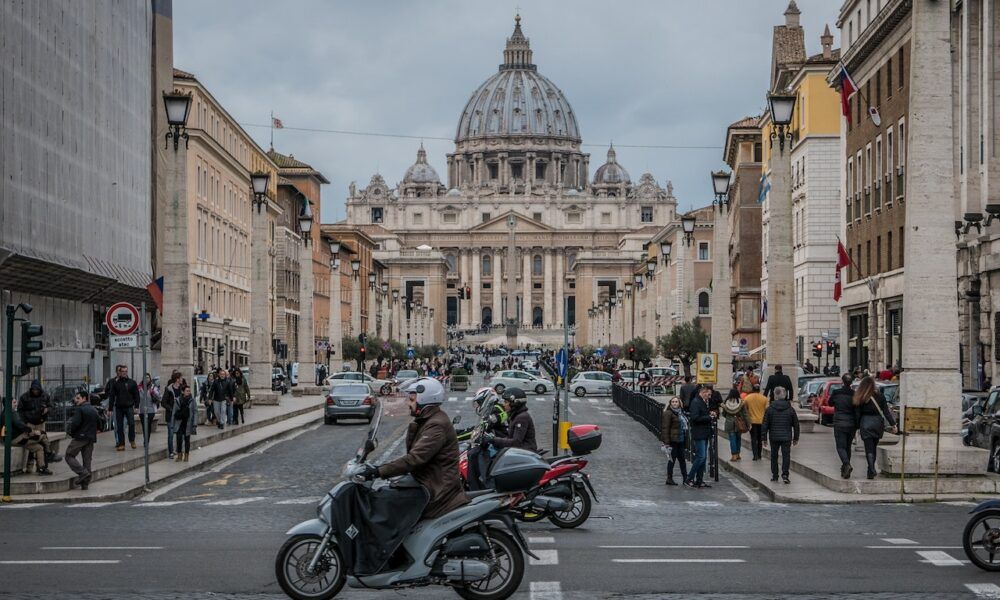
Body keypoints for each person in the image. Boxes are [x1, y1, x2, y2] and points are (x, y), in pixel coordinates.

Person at [361, 377, 470, 519]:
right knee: (389, 492)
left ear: (424, 400)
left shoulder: (436, 425)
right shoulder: (429, 420)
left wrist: (378, 471)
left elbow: (415, 459)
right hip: (428, 481)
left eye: (412, 400)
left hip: (437, 490)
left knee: (386, 502)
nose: (408, 403)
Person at [854, 376, 897, 479]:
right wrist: (893, 424)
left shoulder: (861, 397)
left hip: (865, 423)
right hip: (877, 423)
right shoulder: (880, 396)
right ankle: (870, 470)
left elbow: (857, 414)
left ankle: (871, 468)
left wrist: (856, 426)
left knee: (868, 448)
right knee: (874, 447)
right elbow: (886, 412)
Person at [16, 379, 61, 467]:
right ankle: (30, 465)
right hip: (29, 423)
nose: (35, 391)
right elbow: (20, 411)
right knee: (32, 443)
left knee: (42, 442)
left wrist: (47, 409)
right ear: (31, 389)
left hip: (40, 423)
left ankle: (42, 465)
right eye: (34, 390)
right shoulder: (24, 397)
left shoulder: (45, 396)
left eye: (37, 390)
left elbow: (52, 406)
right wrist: (26, 423)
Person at [761, 387, 799, 484]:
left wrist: (764, 438)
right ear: (785, 395)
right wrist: (796, 438)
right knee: (786, 456)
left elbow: (765, 424)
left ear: (775, 395)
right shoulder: (790, 409)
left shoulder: (770, 409)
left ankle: (775, 475)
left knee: (774, 456)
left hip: (774, 436)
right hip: (786, 437)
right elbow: (796, 424)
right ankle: (785, 474)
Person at [484, 388, 537, 452]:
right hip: (519, 450)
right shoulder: (515, 415)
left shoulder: (522, 417)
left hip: (525, 451)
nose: (504, 404)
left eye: (506, 402)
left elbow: (516, 442)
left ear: (515, 403)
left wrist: (493, 440)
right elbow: (510, 437)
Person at [828, 374, 860, 479]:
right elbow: (857, 410)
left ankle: (846, 464)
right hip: (851, 424)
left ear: (842, 382)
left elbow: (830, 403)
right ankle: (845, 469)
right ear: (851, 383)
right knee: (847, 446)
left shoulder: (836, 393)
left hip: (839, 423)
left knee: (840, 447)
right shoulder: (854, 394)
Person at [65, 390, 99, 490]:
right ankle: (85, 484)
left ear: (84, 398)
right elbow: (100, 422)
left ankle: (83, 473)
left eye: (78, 398)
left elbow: (75, 423)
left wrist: (72, 433)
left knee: (69, 455)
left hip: (80, 437)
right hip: (91, 438)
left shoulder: (80, 409)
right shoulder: (93, 409)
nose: (76, 400)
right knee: (87, 460)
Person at [685, 386, 715, 488]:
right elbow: (695, 418)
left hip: (704, 433)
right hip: (699, 433)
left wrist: (709, 414)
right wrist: (709, 417)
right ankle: (689, 478)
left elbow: (701, 414)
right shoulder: (696, 402)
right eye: (708, 394)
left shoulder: (702, 401)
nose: (709, 396)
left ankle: (699, 480)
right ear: (703, 392)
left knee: (704, 457)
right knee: (701, 457)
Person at [106, 364, 139, 451]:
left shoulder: (132, 382)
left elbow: (136, 395)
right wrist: (110, 409)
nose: (124, 373)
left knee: (131, 423)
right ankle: (121, 444)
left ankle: (132, 440)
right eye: (122, 371)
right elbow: (112, 396)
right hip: (119, 407)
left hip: (129, 407)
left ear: (127, 372)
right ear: (120, 372)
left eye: (125, 371)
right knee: (119, 426)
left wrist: (137, 406)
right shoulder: (116, 383)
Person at [660, 397, 689, 486]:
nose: (675, 403)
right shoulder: (668, 413)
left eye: (676, 402)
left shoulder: (681, 413)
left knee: (682, 461)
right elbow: (665, 428)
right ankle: (669, 478)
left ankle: (685, 478)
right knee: (672, 460)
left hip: (681, 440)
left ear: (679, 403)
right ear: (670, 403)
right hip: (673, 441)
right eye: (673, 402)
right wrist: (666, 442)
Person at [720, 388, 750, 462]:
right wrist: (748, 423)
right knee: (738, 438)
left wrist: (729, 417)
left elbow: (724, 414)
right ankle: (738, 454)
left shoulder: (726, 403)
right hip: (739, 423)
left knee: (732, 439)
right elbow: (745, 414)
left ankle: (733, 455)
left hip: (729, 423)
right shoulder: (741, 403)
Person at [743, 384, 769, 461]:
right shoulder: (764, 399)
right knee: (760, 439)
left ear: (752, 389)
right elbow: (767, 410)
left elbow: (745, 409)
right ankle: (760, 454)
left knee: (753, 439)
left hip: (752, 421)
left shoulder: (747, 398)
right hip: (761, 421)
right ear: (759, 390)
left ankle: (755, 455)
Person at [173, 384, 197, 462]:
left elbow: (195, 412)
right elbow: (174, 412)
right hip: (179, 422)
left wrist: (195, 423)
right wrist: (172, 424)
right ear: (182, 391)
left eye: (189, 391)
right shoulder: (177, 400)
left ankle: (186, 455)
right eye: (187, 391)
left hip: (188, 423)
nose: (188, 392)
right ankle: (179, 455)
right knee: (179, 439)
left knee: (187, 440)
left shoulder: (192, 400)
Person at [161, 371, 182, 459]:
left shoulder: (182, 389)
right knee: (170, 434)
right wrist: (170, 409)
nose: (182, 379)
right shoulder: (168, 389)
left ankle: (178, 450)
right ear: (177, 379)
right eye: (180, 378)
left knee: (180, 434)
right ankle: (171, 452)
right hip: (170, 416)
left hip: (180, 415)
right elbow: (163, 402)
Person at [137, 373, 159, 445]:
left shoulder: (153, 387)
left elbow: (158, 396)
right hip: (142, 410)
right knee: (144, 425)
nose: (146, 379)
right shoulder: (139, 387)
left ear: (150, 379)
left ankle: (147, 441)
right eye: (145, 377)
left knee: (148, 425)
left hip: (151, 409)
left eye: (148, 377)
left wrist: (153, 392)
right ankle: (145, 438)